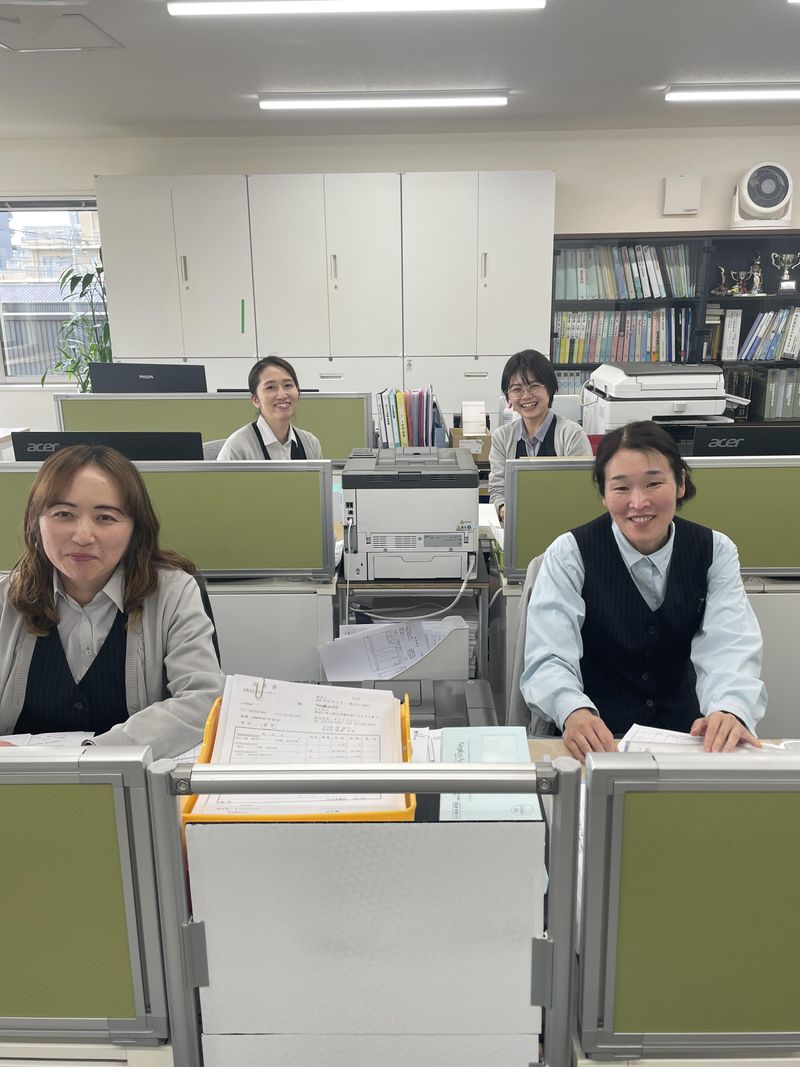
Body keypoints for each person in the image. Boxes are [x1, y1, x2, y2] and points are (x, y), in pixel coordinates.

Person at [520, 420, 766, 762]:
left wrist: (730, 708)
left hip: (686, 739)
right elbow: (549, 654)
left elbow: (730, 644)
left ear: (680, 483)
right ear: (604, 494)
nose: (638, 502)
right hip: (597, 740)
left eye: (653, 483)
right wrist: (572, 709)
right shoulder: (570, 553)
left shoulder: (715, 550)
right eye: (621, 488)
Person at [0, 445, 225, 758]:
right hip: (21, 781)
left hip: (135, 780)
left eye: (105, 517)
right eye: (63, 514)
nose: (83, 536)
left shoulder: (173, 592)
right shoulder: (6, 599)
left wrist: (101, 752)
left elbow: (203, 699)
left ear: (135, 528)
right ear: (34, 522)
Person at [488, 349, 592, 523]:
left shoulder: (572, 435)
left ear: (550, 388)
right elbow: (498, 490)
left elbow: (581, 492)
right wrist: (506, 511)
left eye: (534, 386)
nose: (526, 396)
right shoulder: (501, 437)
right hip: (516, 525)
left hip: (563, 525)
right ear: (508, 396)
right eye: (516, 389)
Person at [217, 355, 322, 461]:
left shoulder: (310, 443)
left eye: (288, 385)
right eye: (270, 387)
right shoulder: (237, 447)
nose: (282, 395)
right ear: (256, 400)